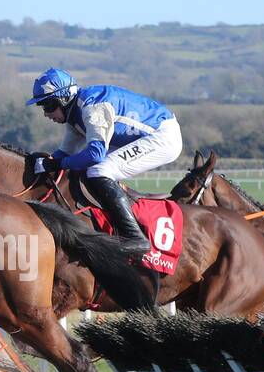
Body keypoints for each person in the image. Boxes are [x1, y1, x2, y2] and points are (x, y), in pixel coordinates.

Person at [26, 68, 182, 254]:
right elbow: (64, 153)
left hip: (162, 137)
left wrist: (58, 163)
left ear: (65, 98)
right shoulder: (74, 115)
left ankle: (136, 238)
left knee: (99, 170)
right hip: (140, 137)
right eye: (42, 107)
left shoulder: (92, 108)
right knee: (90, 168)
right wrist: (40, 162)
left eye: (49, 106)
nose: (46, 113)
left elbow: (94, 155)